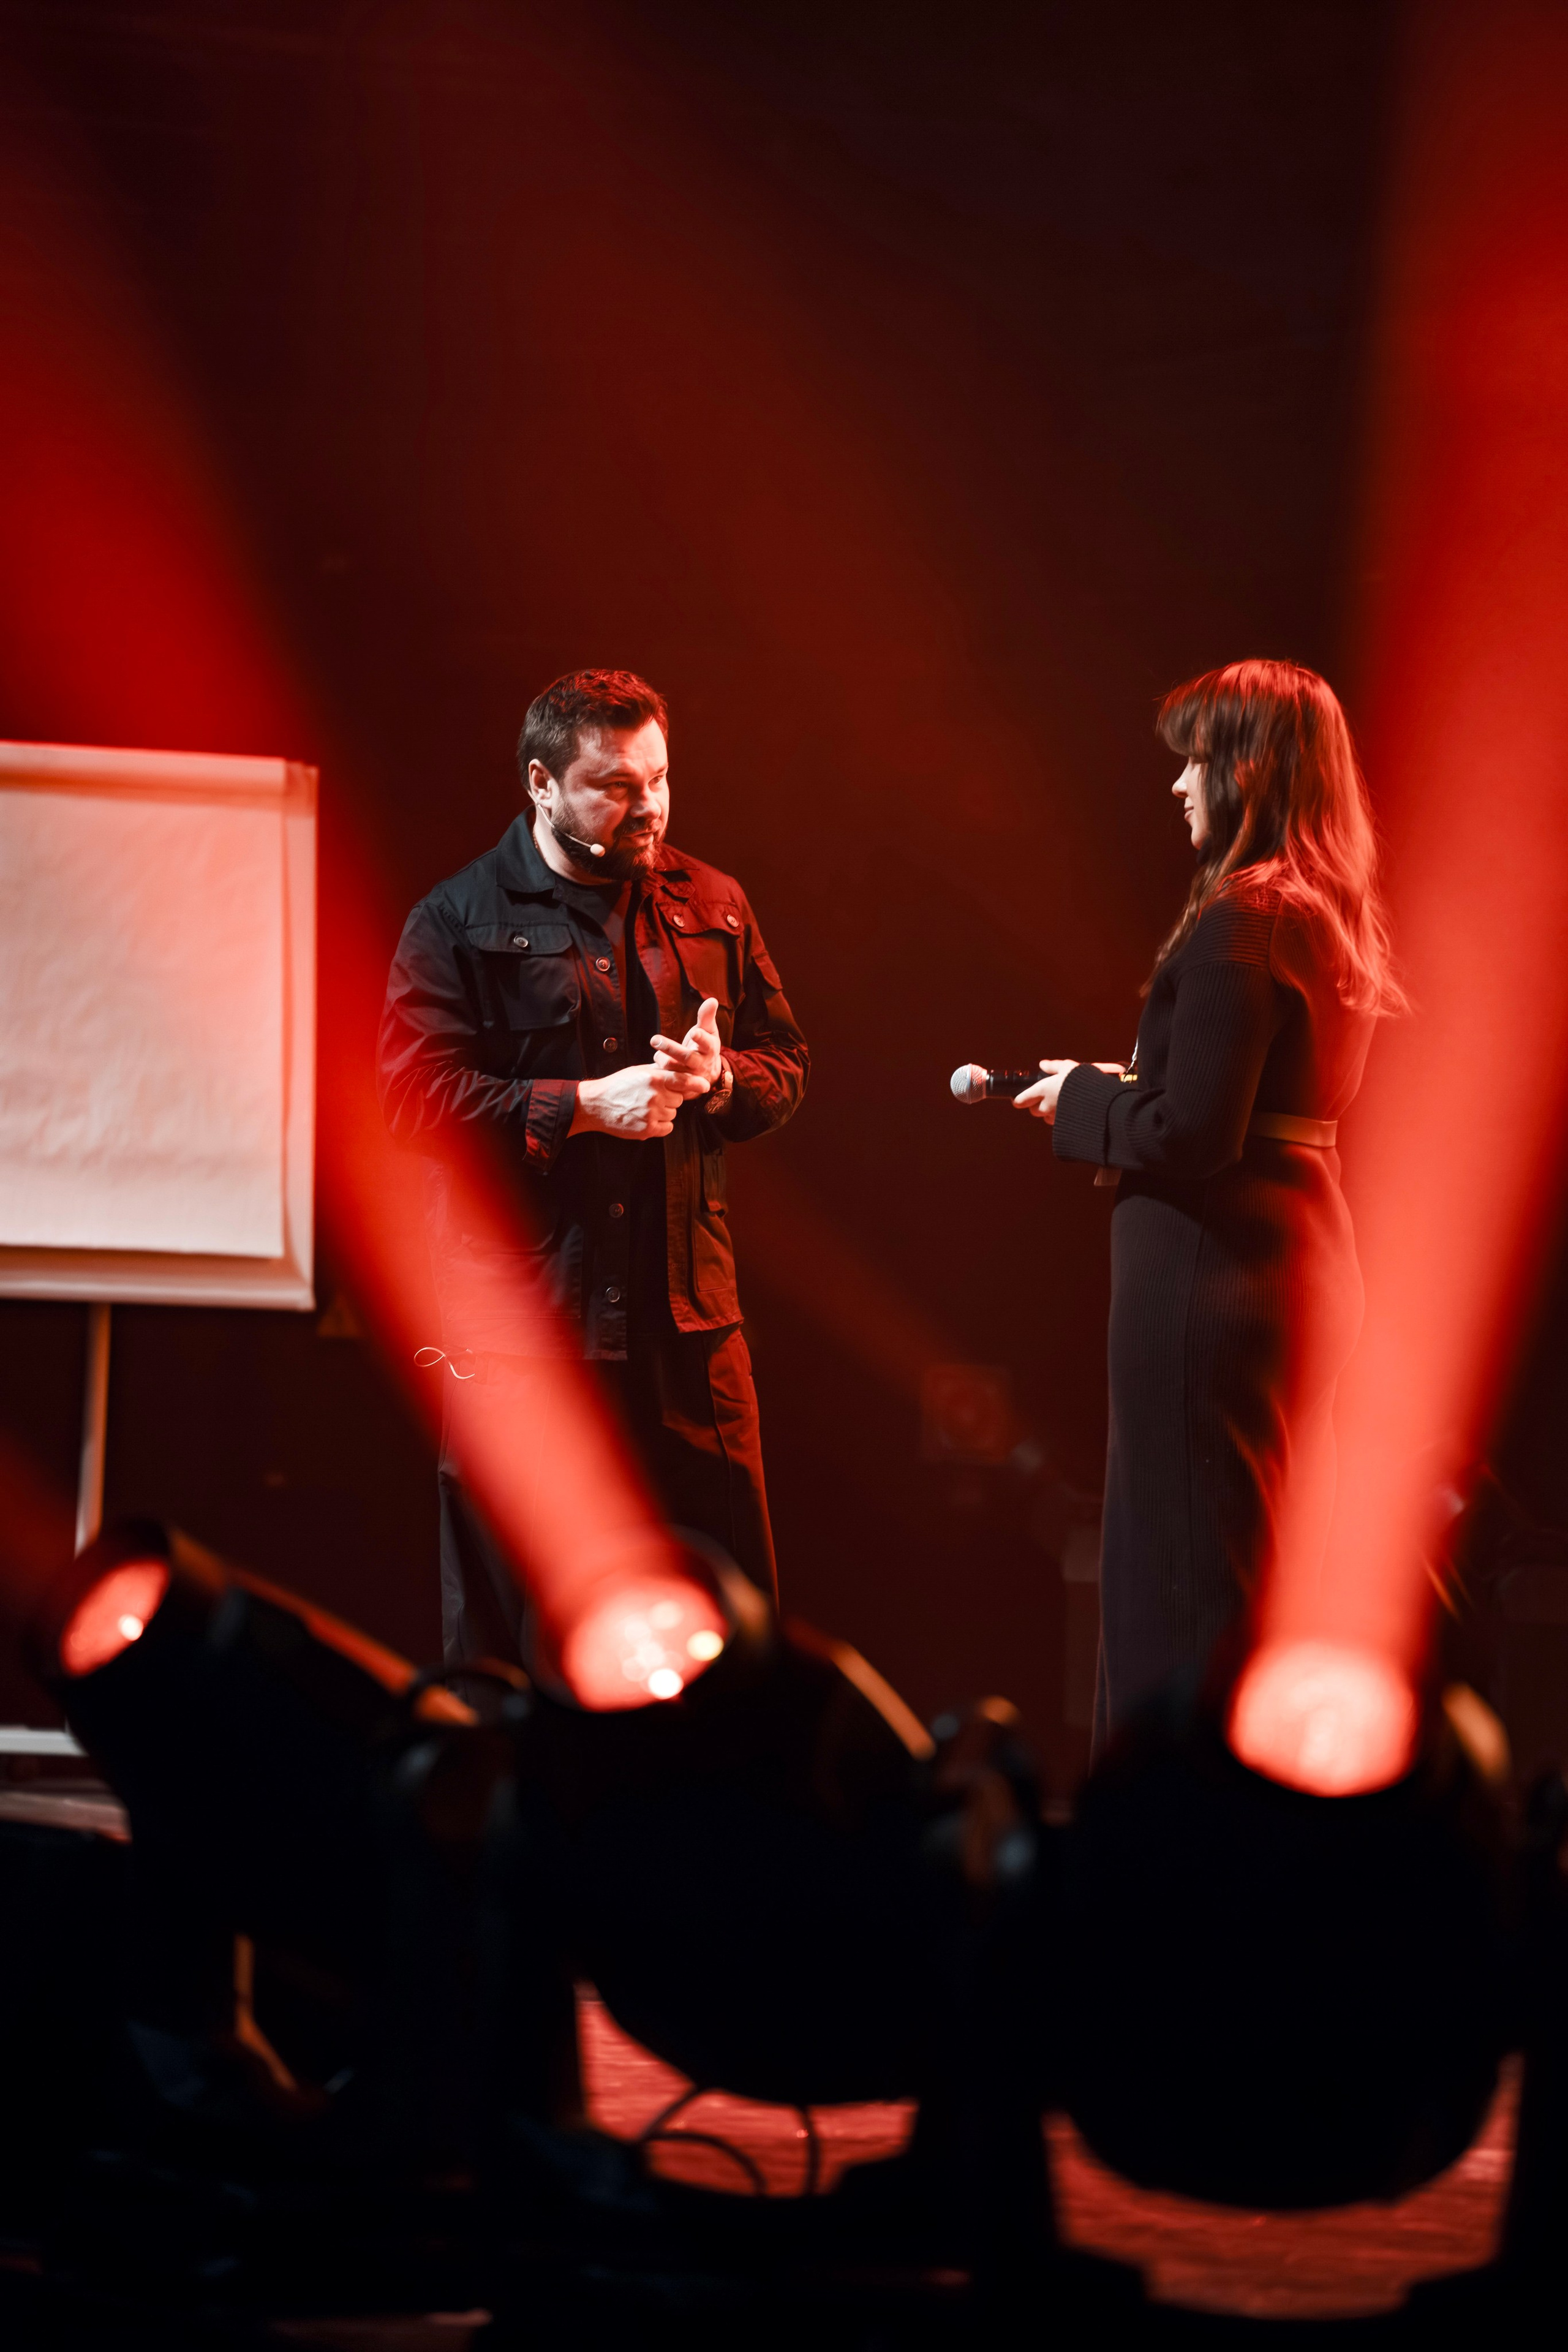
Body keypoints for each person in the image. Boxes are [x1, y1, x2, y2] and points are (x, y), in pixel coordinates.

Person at [379, 668, 807, 1671]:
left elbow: (786, 1067)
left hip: (686, 1327)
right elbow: (409, 1099)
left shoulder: (716, 903)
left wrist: (718, 1080)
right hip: (525, 1332)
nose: (648, 806)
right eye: (615, 786)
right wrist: (578, 1107)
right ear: (542, 784)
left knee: (731, 1628)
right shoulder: (455, 917)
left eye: (659, 779)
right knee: (510, 1634)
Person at [1016, 660, 1403, 1744]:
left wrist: (1082, 1099)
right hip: (1289, 1261)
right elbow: (1249, 1101)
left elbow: (1194, 1135)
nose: (1178, 783)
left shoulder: (1244, 916)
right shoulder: (1323, 911)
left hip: (1213, 1277)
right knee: (1246, 1573)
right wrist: (1119, 1091)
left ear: (1245, 768)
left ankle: (1181, 1830)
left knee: (1180, 1586)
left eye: (1195, 759)